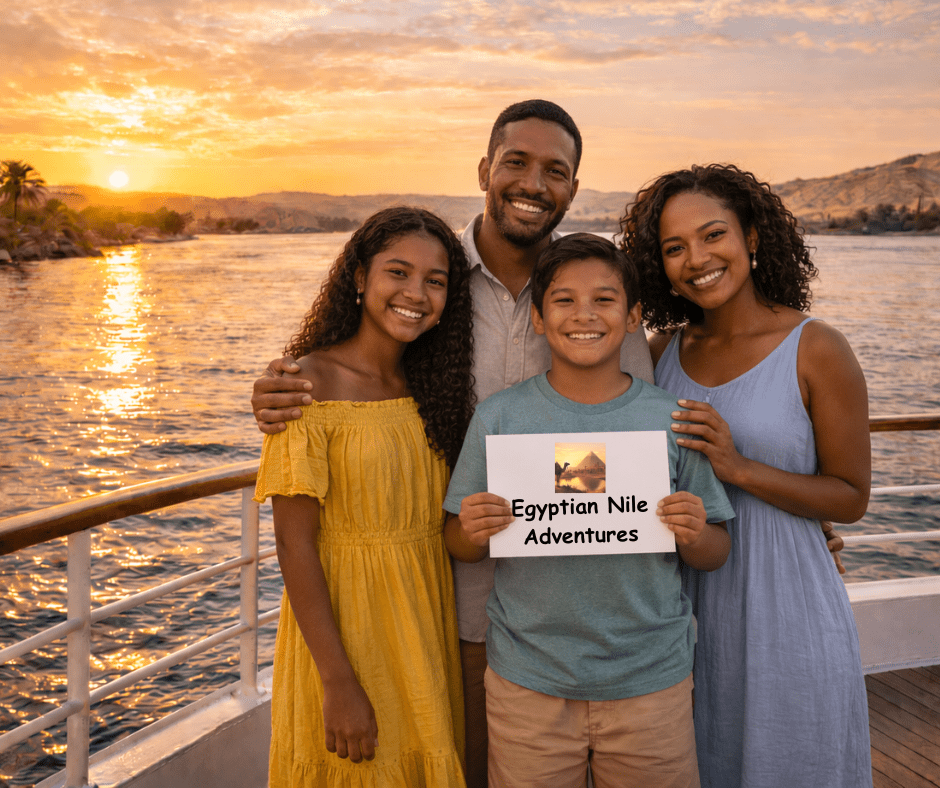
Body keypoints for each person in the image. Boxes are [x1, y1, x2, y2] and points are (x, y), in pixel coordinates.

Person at [251, 100, 655, 787]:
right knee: (461, 765)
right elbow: (349, 385)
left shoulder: (590, 291)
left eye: (554, 170)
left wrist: (751, 490)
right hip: (456, 596)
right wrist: (276, 387)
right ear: (484, 170)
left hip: (574, 598)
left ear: (573, 190)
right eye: (516, 162)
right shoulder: (434, 279)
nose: (533, 183)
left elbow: (638, 429)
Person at [444, 233, 735, 787]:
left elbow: (716, 551)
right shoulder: (499, 418)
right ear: (537, 318)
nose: (584, 315)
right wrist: (473, 530)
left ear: (632, 318)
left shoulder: (674, 419)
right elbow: (458, 541)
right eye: (564, 300)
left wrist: (695, 532)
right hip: (529, 683)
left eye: (604, 299)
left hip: (652, 683)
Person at [620, 164, 873, 788]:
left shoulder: (817, 347)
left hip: (787, 602)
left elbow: (850, 497)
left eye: (713, 236)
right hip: (688, 606)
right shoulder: (660, 352)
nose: (696, 258)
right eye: (674, 247)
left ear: (752, 237)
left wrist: (739, 469)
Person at [252, 206, 474, 787]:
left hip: (423, 627)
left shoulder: (432, 389)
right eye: (397, 273)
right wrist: (338, 681)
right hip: (347, 637)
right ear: (359, 278)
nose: (416, 294)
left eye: (435, 280)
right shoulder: (306, 384)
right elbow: (294, 545)